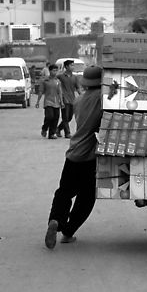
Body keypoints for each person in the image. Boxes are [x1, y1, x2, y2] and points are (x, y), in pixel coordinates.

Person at [44, 66, 103, 249]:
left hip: (73, 153)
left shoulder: (79, 100)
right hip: (90, 157)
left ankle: (55, 220)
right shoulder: (102, 99)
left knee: (64, 192)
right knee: (86, 198)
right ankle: (68, 232)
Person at [35, 64, 63, 139]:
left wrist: (62, 102)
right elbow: (41, 91)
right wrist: (38, 101)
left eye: (56, 70)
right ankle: (44, 128)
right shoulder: (45, 81)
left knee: (56, 118)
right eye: (54, 70)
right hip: (48, 102)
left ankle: (51, 134)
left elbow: (60, 92)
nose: (55, 72)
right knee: (49, 116)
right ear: (50, 71)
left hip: (56, 102)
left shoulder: (58, 81)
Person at [56, 60, 81, 138]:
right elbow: (54, 81)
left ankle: (58, 129)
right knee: (65, 117)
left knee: (69, 117)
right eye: (71, 65)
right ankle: (67, 133)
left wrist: (82, 96)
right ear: (66, 67)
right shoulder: (60, 76)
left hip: (72, 100)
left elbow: (78, 88)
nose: (73, 67)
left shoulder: (75, 77)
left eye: (73, 65)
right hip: (64, 99)